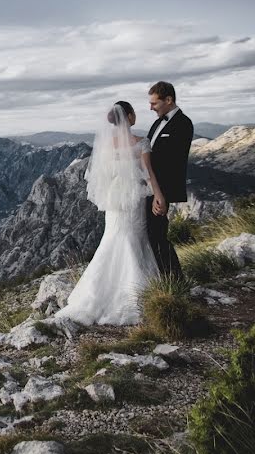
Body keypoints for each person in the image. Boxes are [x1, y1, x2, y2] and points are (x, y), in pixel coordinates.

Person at [54, 101, 164, 325]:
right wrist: (159, 196)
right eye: (133, 113)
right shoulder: (141, 142)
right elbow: (149, 173)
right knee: (134, 237)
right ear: (130, 117)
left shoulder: (106, 145)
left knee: (112, 237)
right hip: (133, 197)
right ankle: (137, 294)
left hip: (114, 199)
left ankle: (98, 293)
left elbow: (101, 175)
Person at [146, 81, 193, 280]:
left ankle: (174, 279)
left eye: (154, 103)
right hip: (150, 188)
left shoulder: (183, 124)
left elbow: (173, 164)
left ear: (169, 100)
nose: (151, 108)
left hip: (161, 191)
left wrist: (160, 195)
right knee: (151, 235)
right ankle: (161, 277)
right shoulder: (158, 123)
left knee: (157, 236)